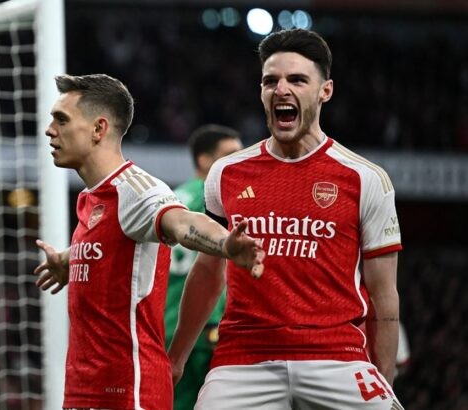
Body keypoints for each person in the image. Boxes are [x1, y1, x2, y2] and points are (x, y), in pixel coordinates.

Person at [168, 28, 404, 409]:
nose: (281, 90)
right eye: (270, 81)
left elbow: (384, 295)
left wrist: (384, 381)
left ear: (325, 90)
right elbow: (208, 272)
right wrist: (176, 358)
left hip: (337, 357)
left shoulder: (365, 179)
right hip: (243, 360)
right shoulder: (226, 174)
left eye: (296, 80)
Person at [33, 74, 263, 410]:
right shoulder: (92, 197)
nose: (49, 130)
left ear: (98, 129)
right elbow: (116, 244)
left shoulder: (137, 190)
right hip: (86, 390)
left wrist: (226, 244)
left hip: (129, 393)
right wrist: (72, 258)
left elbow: (182, 222)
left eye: (61, 119)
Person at [164, 124, 243, 410]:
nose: (237, 162)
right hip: (204, 326)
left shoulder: (173, 198)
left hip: (167, 325)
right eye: (229, 155)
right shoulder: (216, 199)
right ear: (204, 160)